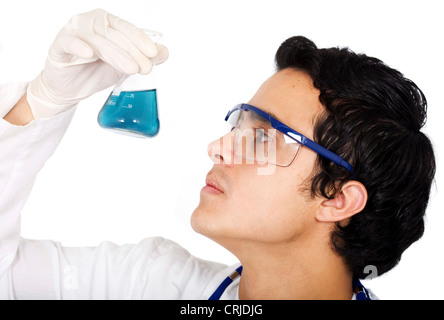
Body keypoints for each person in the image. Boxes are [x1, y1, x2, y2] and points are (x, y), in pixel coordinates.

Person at [0, 8, 435, 300]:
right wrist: (39, 105)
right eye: (239, 124)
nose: (219, 148)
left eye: (264, 137)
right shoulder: (153, 281)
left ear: (338, 199)